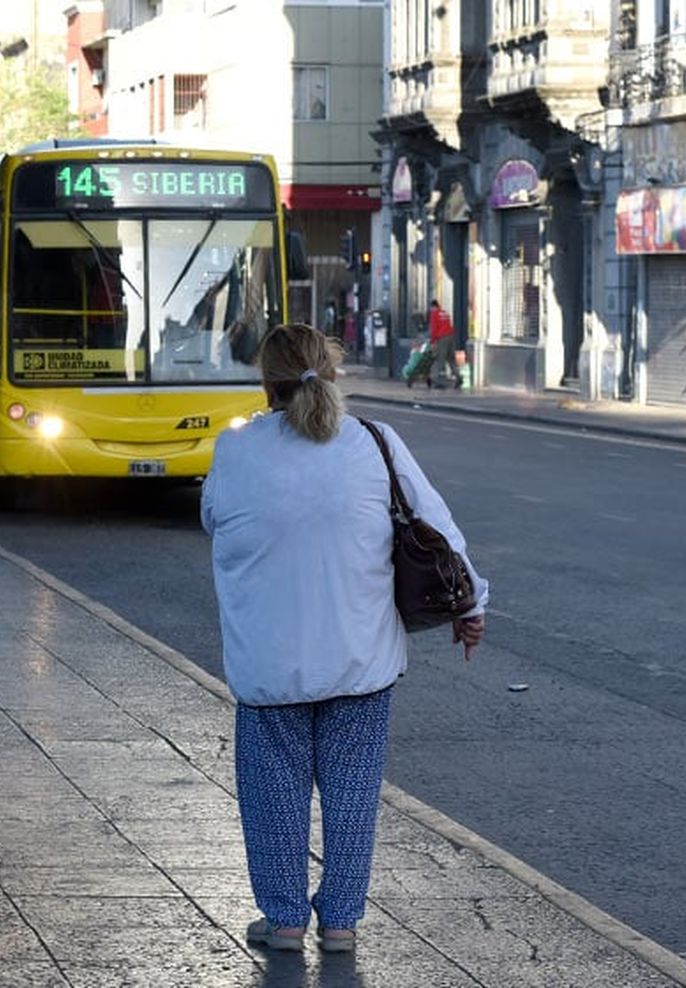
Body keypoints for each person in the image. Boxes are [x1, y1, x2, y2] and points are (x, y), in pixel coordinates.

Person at [201, 322, 488, 954]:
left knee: (273, 796)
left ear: (265, 381)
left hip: (270, 664)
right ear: (331, 370)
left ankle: (282, 921)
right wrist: (473, 605)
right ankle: (341, 924)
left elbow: (214, 520)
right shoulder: (374, 442)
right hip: (360, 659)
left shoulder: (235, 451)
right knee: (353, 796)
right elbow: (438, 530)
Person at [428, 299, 458, 389]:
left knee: (441, 359)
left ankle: (440, 382)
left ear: (433, 307)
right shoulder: (445, 313)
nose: (431, 310)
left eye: (431, 308)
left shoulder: (434, 314)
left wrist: (433, 341)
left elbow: (434, 329)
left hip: (442, 338)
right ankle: (459, 377)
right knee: (451, 359)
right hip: (451, 337)